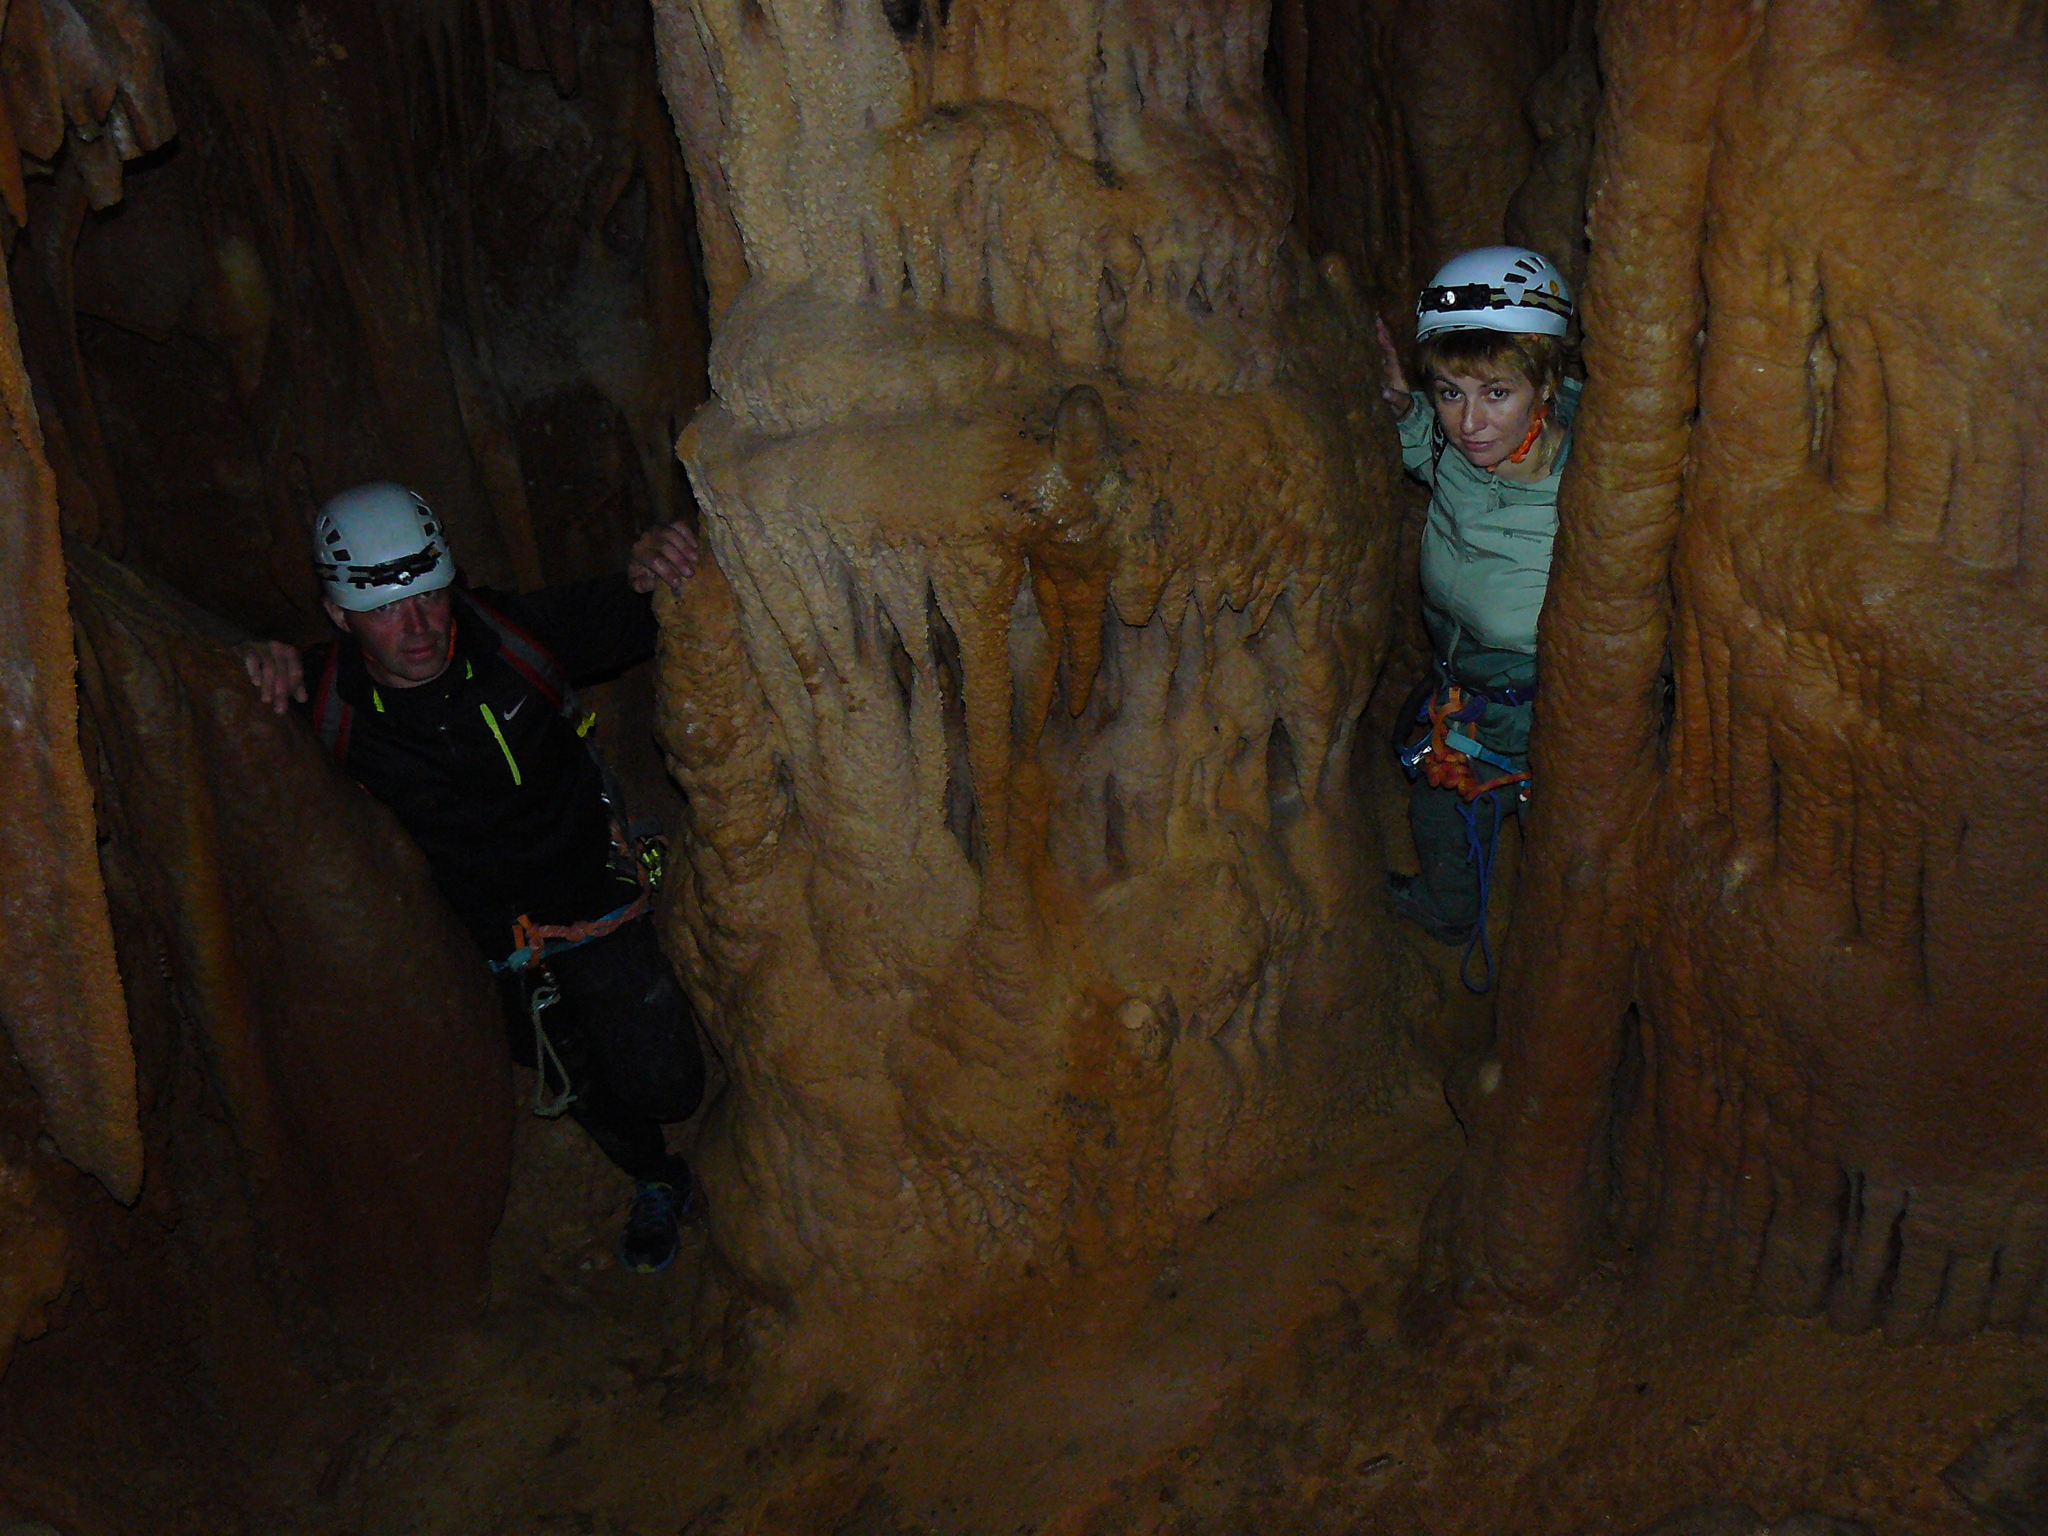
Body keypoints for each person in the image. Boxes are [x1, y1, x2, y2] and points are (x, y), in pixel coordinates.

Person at [242, 482, 709, 1273]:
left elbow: (648, 600)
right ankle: (655, 1177)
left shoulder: (514, 641)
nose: (418, 628)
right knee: (573, 1071)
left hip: (586, 891)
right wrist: (246, 664)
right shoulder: (322, 704)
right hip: (481, 940)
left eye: (429, 597)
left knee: (671, 1087)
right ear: (338, 616)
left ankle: (647, 888)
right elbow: (214, 706)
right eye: (386, 610)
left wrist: (656, 558)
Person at [1374, 247, 1579, 984]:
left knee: (1563, 857)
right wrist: (1405, 414)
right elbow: (1433, 459)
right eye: (1449, 391)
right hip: (1465, 688)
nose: (1470, 421)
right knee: (1436, 816)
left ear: (1546, 384)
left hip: (1550, 706)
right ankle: (1448, 909)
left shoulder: (1583, 482)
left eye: (1496, 393)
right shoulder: (1460, 448)